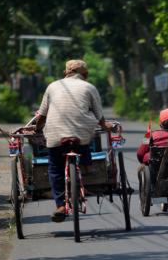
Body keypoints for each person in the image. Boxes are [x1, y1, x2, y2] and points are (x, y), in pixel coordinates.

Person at [34, 59, 113, 222]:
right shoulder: (89, 87)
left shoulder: (52, 86)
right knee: (84, 144)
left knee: (55, 168)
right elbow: (99, 116)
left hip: (56, 136)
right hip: (81, 136)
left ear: (65, 73)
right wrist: (106, 125)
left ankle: (61, 205)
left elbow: (41, 115)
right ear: (85, 74)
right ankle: (86, 166)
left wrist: (37, 129)